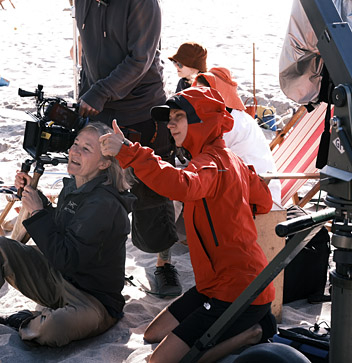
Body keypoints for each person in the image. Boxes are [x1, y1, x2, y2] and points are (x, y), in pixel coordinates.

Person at [100, 87, 277, 362]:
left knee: (160, 361)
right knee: (151, 334)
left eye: (179, 116)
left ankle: (250, 334)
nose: (170, 124)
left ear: (203, 120)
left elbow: (182, 185)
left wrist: (130, 153)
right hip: (214, 285)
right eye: (169, 118)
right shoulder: (230, 161)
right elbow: (264, 201)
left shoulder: (212, 163)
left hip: (238, 292)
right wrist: (231, 202)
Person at [0, 122, 136, 347]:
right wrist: (34, 197)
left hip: (93, 299)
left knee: (54, 328)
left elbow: (66, 258)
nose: (74, 151)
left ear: (103, 163)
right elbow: (60, 228)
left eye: (86, 149)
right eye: (75, 144)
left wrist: (36, 211)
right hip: (58, 277)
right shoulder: (76, 185)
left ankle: (26, 321)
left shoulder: (104, 203)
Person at [74, 0, 181, 298]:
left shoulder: (143, 3)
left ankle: (163, 264)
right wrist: (85, 97)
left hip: (142, 110)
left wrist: (100, 91)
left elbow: (140, 58)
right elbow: (86, 56)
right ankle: (99, 268)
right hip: (100, 109)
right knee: (98, 191)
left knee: (152, 193)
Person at [193, 67, 282, 204]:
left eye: (205, 93)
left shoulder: (235, 123)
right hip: (239, 184)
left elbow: (208, 157)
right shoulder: (227, 117)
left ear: (220, 94)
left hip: (259, 195)